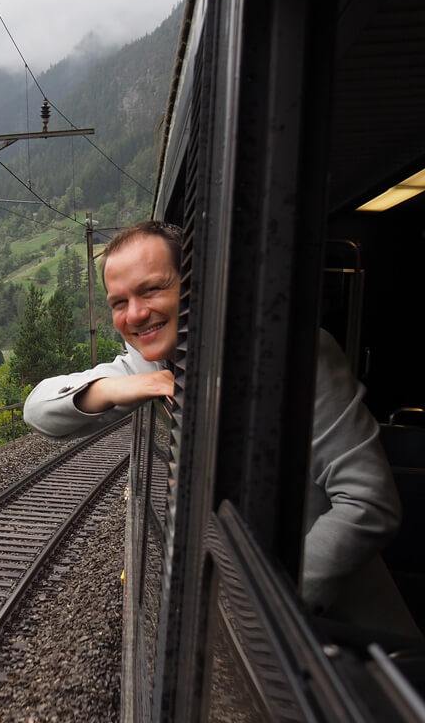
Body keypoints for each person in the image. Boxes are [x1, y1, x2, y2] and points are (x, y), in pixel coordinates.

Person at [22, 220, 408, 628]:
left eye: (152, 289)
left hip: (336, 647)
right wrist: (124, 387)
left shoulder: (296, 355)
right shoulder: (151, 362)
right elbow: (38, 409)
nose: (135, 313)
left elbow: (370, 504)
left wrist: (249, 608)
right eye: (119, 302)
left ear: (196, 282)